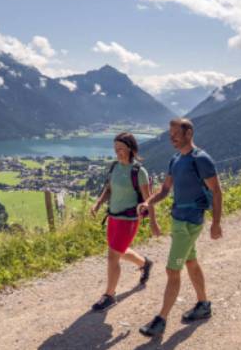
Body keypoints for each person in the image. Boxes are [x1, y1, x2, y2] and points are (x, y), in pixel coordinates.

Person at [136, 118, 223, 337]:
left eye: (176, 134)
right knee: (191, 261)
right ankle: (203, 304)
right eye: (170, 134)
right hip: (178, 219)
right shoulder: (175, 159)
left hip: (190, 222)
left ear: (189, 133)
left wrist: (216, 222)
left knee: (172, 269)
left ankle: (161, 319)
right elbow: (166, 189)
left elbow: (217, 191)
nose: (172, 138)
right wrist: (148, 202)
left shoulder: (201, 159)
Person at [90, 132, 162, 312]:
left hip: (128, 220)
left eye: (121, 149)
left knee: (113, 255)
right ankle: (145, 263)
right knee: (119, 251)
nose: (118, 152)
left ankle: (109, 295)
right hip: (113, 217)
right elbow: (109, 189)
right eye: (115, 149)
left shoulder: (139, 172)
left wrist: (153, 222)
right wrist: (98, 203)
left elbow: (148, 200)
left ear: (130, 149)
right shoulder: (115, 167)